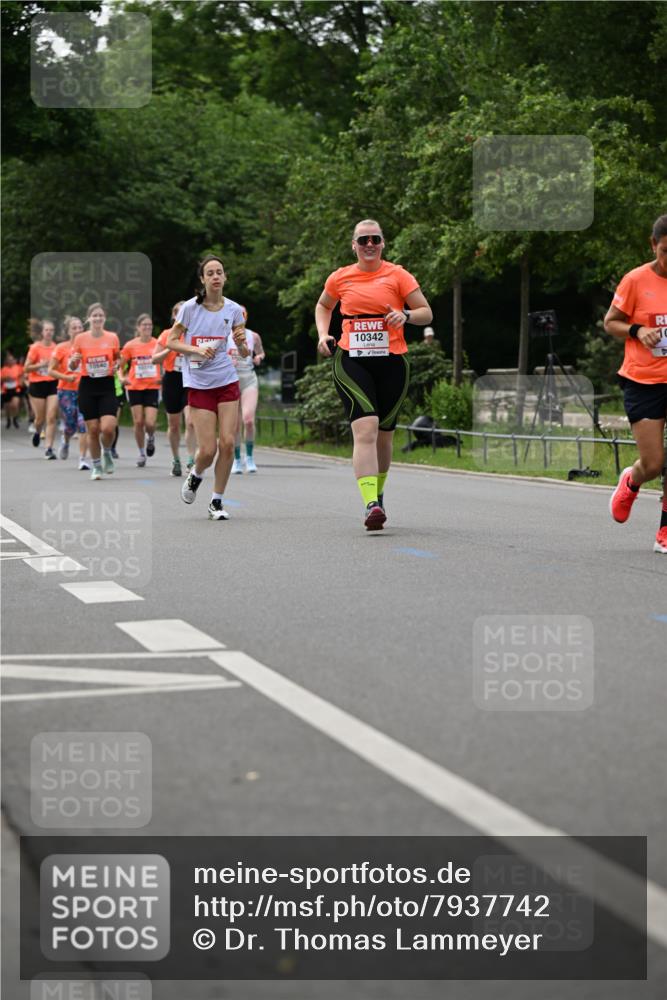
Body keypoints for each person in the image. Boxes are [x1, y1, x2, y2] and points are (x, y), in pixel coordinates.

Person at [315, 219, 433, 529]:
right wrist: (322, 334)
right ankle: (369, 504)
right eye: (363, 240)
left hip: (393, 361)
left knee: (384, 435)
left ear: (382, 244)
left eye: (375, 239)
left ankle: (378, 496)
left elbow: (426, 312)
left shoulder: (398, 275)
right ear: (353, 245)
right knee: (365, 427)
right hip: (352, 359)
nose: (369, 244)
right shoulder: (340, 277)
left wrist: (404, 314)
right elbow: (323, 306)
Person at [166, 255, 249, 520]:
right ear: (202, 279)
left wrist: (242, 342)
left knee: (227, 443)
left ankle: (216, 501)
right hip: (199, 383)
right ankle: (196, 474)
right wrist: (196, 348)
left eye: (219, 272)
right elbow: (171, 341)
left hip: (226, 380)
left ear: (225, 278)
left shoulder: (234, 310)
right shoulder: (190, 308)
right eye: (210, 273)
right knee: (208, 450)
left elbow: (245, 353)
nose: (215, 277)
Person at [605, 213, 667, 554]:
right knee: (654, 463)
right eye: (666, 251)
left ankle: (665, 532)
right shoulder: (635, 281)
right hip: (643, 380)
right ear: (653, 244)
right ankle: (631, 480)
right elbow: (610, 322)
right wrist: (638, 331)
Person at [69, 303, 120, 480]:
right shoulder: (80, 339)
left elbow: (118, 360)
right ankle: (97, 466)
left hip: (106, 386)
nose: (97, 318)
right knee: (92, 429)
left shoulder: (112, 338)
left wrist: (117, 366)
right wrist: (74, 361)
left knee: (107, 428)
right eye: (94, 315)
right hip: (88, 386)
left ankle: (107, 451)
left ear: (104, 318)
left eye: (100, 315)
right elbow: (72, 364)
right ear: (88, 318)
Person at [153, 300, 197, 477]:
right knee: (174, 424)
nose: (180, 314)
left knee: (191, 421)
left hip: (190, 379)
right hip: (172, 379)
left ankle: (191, 460)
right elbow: (154, 359)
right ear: (173, 316)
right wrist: (169, 350)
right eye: (177, 312)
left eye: (184, 311)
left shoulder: (194, 333)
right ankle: (176, 459)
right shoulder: (165, 335)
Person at [48, 315, 90, 469]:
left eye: (80, 327)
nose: (78, 330)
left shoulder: (88, 346)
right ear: (68, 331)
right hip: (66, 390)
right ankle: (65, 441)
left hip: (84, 389)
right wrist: (66, 377)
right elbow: (50, 370)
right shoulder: (61, 348)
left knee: (82, 423)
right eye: (74, 328)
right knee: (70, 426)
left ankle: (83, 459)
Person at [119, 313, 161, 468]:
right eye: (144, 325)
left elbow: (166, 360)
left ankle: (150, 437)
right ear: (138, 327)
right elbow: (120, 365)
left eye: (150, 325)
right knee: (138, 422)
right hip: (134, 386)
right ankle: (142, 453)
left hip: (152, 386)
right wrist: (122, 378)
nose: (147, 328)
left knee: (150, 422)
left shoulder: (158, 343)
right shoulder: (131, 345)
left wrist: (162, 376)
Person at [230, 307, 265, 474]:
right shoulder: (225, 335)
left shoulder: (253, 336)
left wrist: (258, 358)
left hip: (249, 378)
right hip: (231, 380)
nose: (240, 318)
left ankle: (249, 457)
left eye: (243, 315)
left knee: (248, 420)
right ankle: (237, 459)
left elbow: (261, 353)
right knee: (235, 425)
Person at [24, 319, 58, 457]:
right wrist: (41, 365)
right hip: (37, 384)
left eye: (51, 330)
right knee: (40, 419)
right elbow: (26, 368)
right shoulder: (35, 348)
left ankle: (48, 448)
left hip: (52, 383)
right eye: (46, 330)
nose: (49, 332)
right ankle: (38, 432)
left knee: (51, 417)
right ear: (42, 332)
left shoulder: (56, 347)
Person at [1, 351, 24, 429]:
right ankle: (8, 419)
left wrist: (21, 381)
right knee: (7, 406)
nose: (11, 361)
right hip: (6, 389)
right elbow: (1, 379)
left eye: (12, 359)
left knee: (15, 404)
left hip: (15, 388)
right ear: (7, 361)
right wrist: (5, 378)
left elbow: (22, 375)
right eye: (9, 360)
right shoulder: (3, 369)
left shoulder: (17, 367)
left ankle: (14, 418)